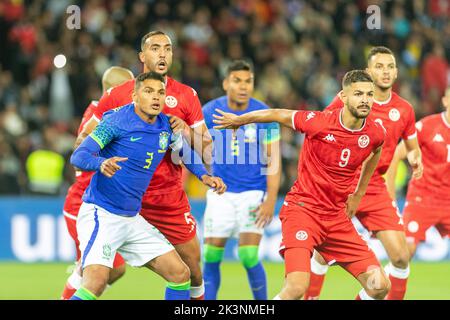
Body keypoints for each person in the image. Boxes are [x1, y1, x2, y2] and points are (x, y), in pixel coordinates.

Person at [214, 70, 391, 300]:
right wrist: (240, 119)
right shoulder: (319, 122)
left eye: (369, 94)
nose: (365, 99)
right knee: (297, 287)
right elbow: (277, 114)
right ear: (343, 96)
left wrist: (359, 193)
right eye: (358, 94)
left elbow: (376, 150)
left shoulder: (375, 132)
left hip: (337, 218)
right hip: (303, 211)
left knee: (379, 286)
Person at [75, 30, 222, 299]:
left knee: (190, 270)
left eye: (168, 48)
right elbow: (83, 145)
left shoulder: (186, 96)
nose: (163, 54)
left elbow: (205, 150)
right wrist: (99, 160)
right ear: (143, 56)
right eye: (156, 48)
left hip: (165, 199)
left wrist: (187, 133)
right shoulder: (116, 100)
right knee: (95, 279)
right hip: (115, 200)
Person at [305, 46, 422, 300]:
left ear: (397, 72)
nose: (386, 71)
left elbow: (412, 146)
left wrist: (415, 158)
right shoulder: (345, 99)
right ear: (368, 71)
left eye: (390, 66)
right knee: (322, 253)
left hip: (374, 186)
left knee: (401, 257)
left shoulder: (404, 109)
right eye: (379, 66)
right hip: (341, 185)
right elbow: (321, 130)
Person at [69, 72, 192, 300]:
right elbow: (79, 155)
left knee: (180, 273)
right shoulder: (115, 121)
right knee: (96, 282)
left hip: (131, 219)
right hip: (102, 214)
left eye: (160, 92)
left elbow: (185, 155)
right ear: (135, 96)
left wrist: (206, 177)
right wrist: (101, 162)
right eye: (149, 91)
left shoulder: (165, 125)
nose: (156, 97)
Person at [201, 60, 281, 300]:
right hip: (220, 194)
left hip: (253, 193)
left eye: (248, 81)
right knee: (211, 256)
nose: (243, 86)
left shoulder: (264, 114)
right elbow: (194, 148)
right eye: (237, 81)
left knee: (248, 255)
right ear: (226, 83)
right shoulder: (209, 112)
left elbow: (274, 161)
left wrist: (270, 201)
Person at [60, 66, 134, 300]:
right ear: (113, 91)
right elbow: (79, 157)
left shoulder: (103, 113)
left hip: (96, 205)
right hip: (83, 205)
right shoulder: (100, 117)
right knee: (100, 272)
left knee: (101, 272)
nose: (133, 95)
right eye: (129, 90)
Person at [386, 87, 450, 259]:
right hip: (423, 197)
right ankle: (381, 285)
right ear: (445, 101)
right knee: (405, 253)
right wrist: (390, 197)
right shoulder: (427, 126)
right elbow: (395, 156)